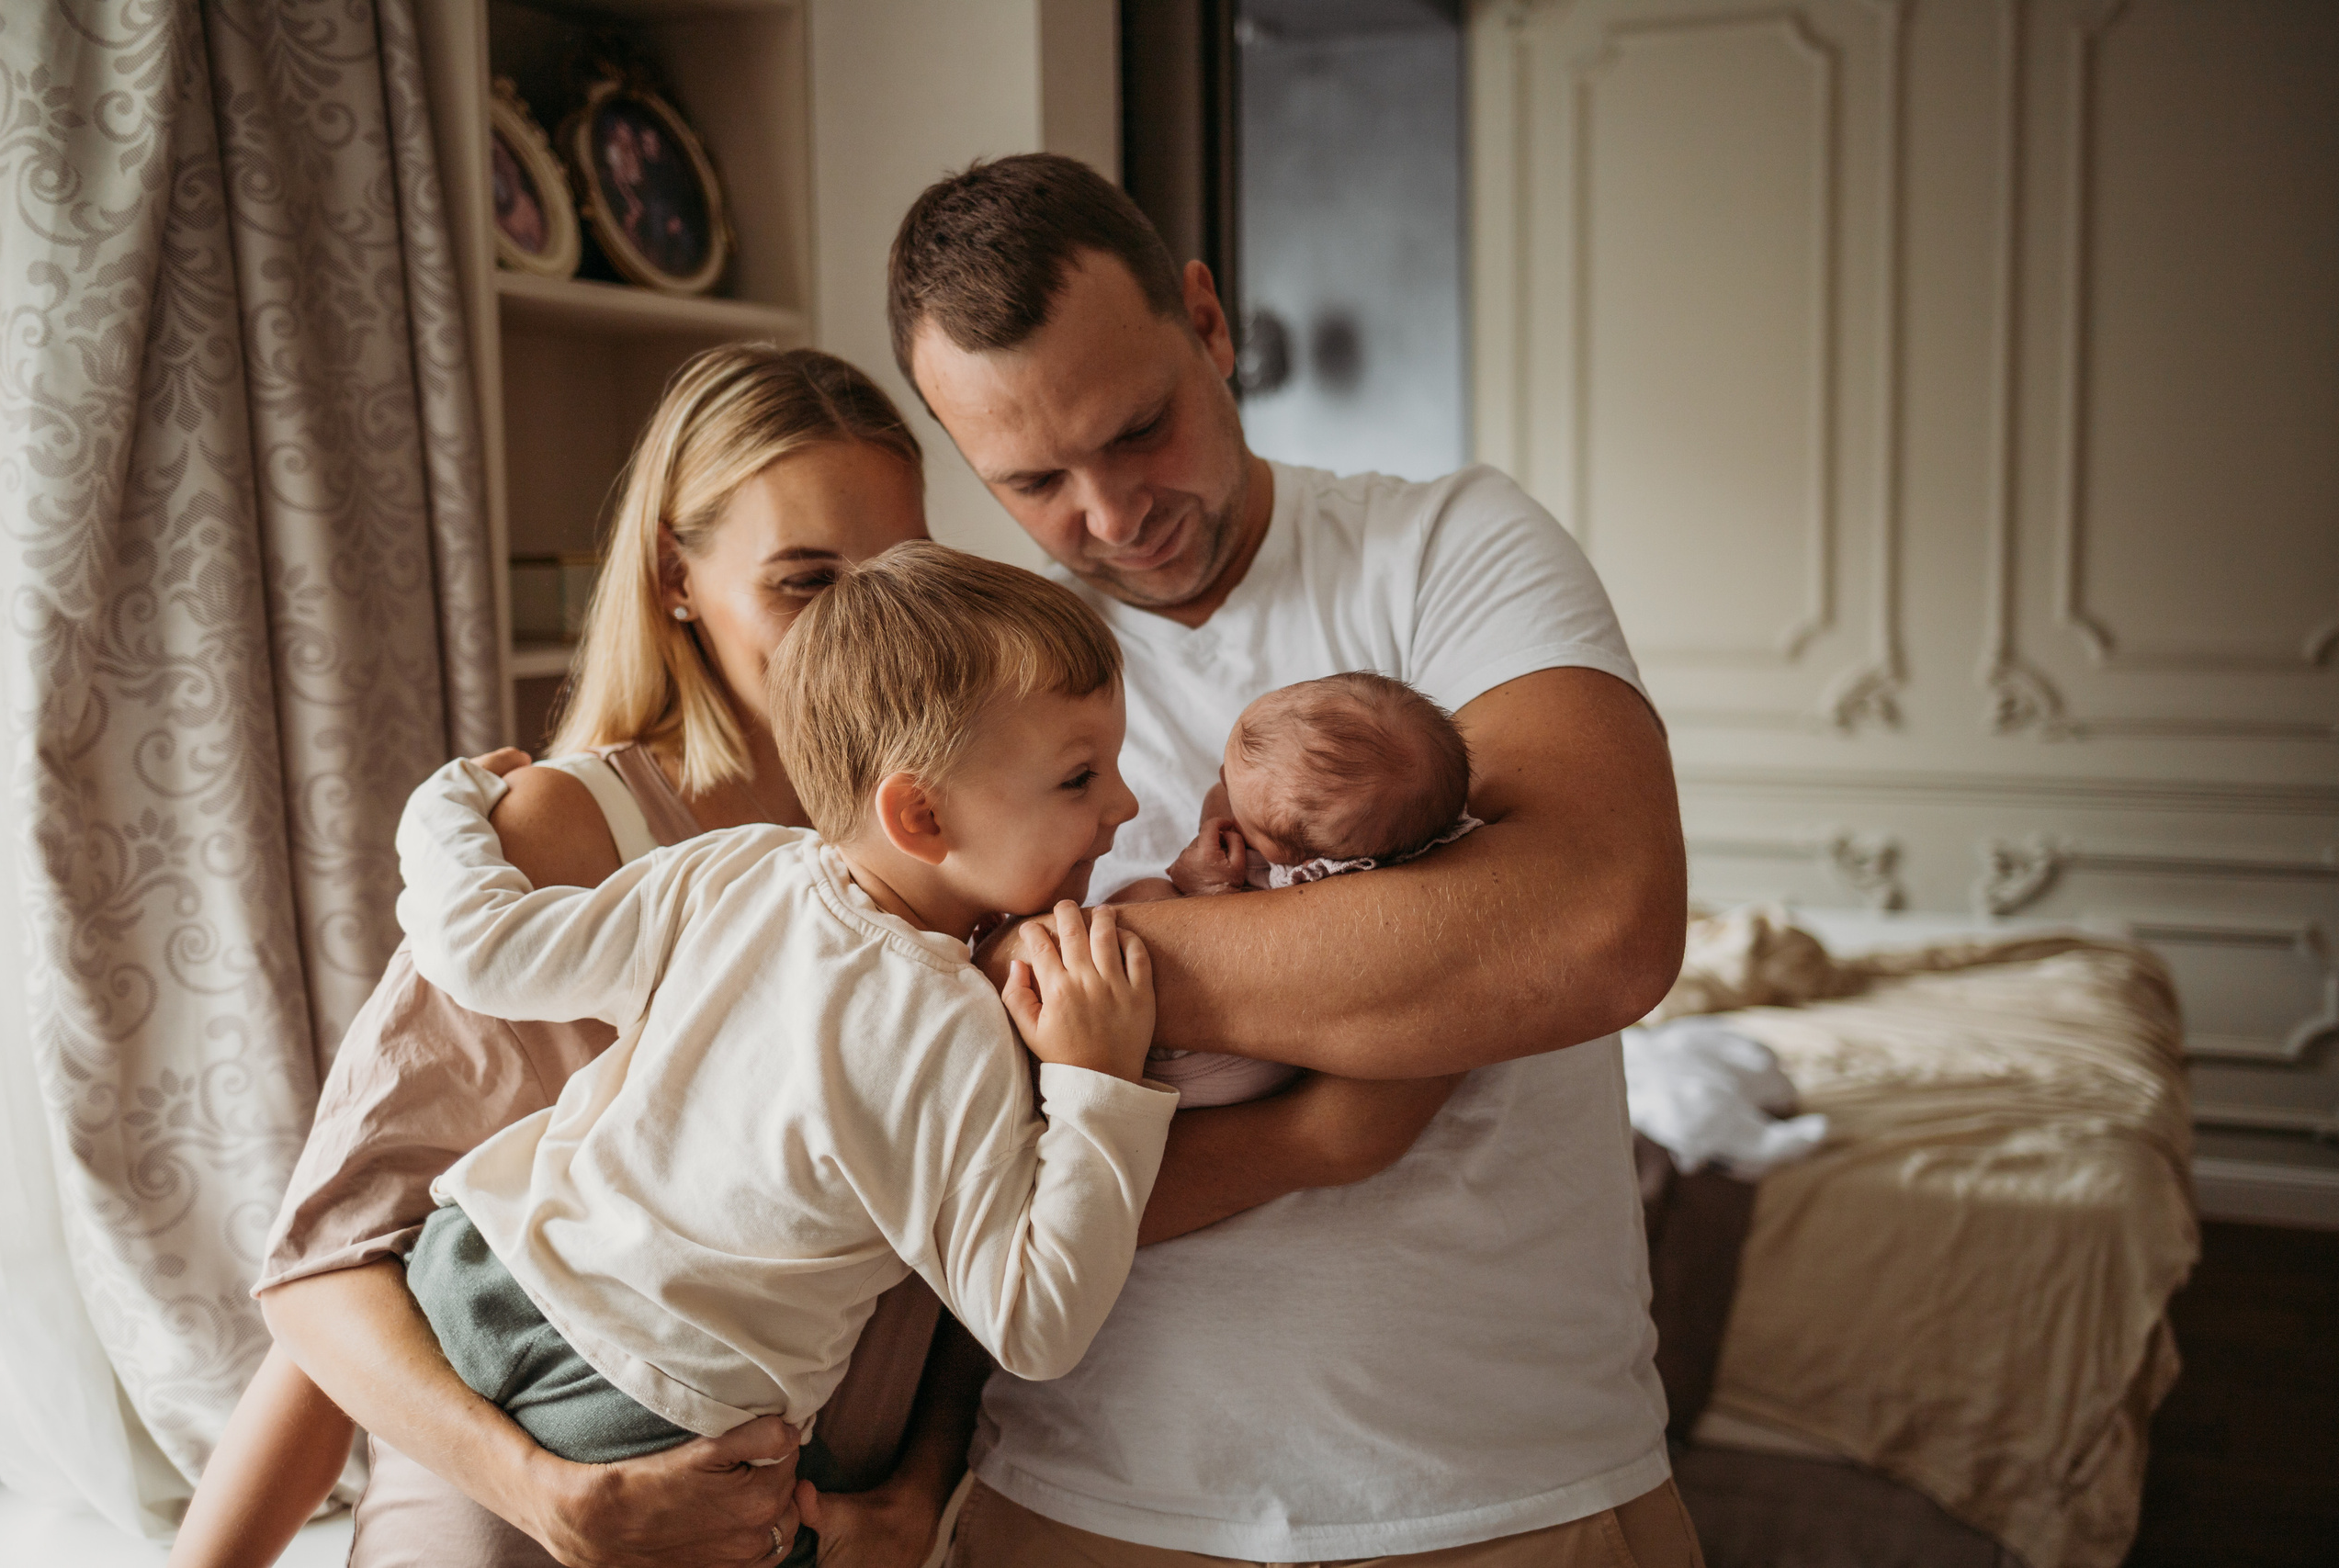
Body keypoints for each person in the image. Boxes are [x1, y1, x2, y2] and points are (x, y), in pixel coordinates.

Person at [186, 339, 1454, 1568]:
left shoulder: (969, 867)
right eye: (807, 580)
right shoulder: (600, 833)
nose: (865, 622)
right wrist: (549, 1492)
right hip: (552, 1455)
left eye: (895, 568)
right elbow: (328, 1269)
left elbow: (974, 1239)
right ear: (677, 578)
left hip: (797, 1482)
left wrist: (921, 1491)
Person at [886, 155, 1701, 1566]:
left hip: (1500, 1483)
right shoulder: (975, 673)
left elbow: (1596, 924)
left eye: (1139, 428)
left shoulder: (1450, 548)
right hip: (1078, 1495)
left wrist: (1057, 973)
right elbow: (944, 1129)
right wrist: (1325, 1126)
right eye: (1033, 481)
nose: (1114, 511)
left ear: (1206, 320)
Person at [390, 544, 1170, 1494]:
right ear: (919, 814)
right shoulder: (952, 1028)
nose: (1125, 806)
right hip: (651, 1409)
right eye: (1079, 778)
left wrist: (453, 799)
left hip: (473, 1271)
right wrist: (1100, 1085)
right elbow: (1036, 1325)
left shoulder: (735, 869)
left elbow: (483, 952)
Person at [1116, 671, 1479, 1108]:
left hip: (1233, 1057)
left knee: (1144, 896)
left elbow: (1253, 956)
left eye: (1236, 802)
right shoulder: (1391, 824)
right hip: (1272, 1041)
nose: (1220, 785)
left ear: (1298, 861)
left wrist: (1210, 891)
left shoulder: (1320, 887)